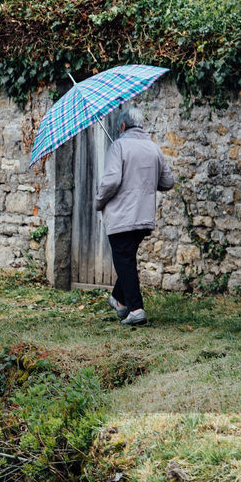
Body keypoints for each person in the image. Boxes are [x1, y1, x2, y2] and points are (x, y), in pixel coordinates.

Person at [94, 107, 174, 326]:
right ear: (142, 126)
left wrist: (98, 201)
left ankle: (136, 309)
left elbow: (111, 182)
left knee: (123, 259)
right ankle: (119, 301)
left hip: (121, 217)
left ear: (121, 126)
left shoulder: (118, 146)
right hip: (143, 217)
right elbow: (168, 182)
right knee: (126, 259)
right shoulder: (153, 148)